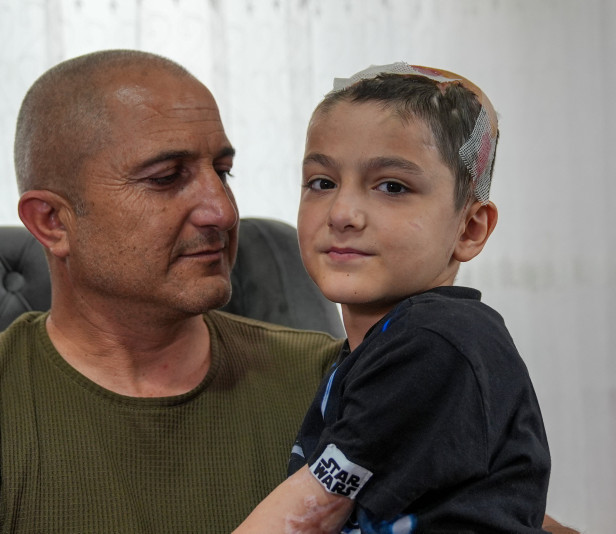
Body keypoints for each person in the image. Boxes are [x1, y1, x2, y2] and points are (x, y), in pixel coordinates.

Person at [0, 50, 345, 532]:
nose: (223, 212)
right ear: (52, 222)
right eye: (166, 177)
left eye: (223, 173)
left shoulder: (335, 382)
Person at [235, 63, 552, 533]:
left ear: (469, 228)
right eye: (322, 182)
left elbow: (311, 515)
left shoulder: (436, 342)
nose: (342, 213)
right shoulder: (379, 349)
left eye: (392, 187)